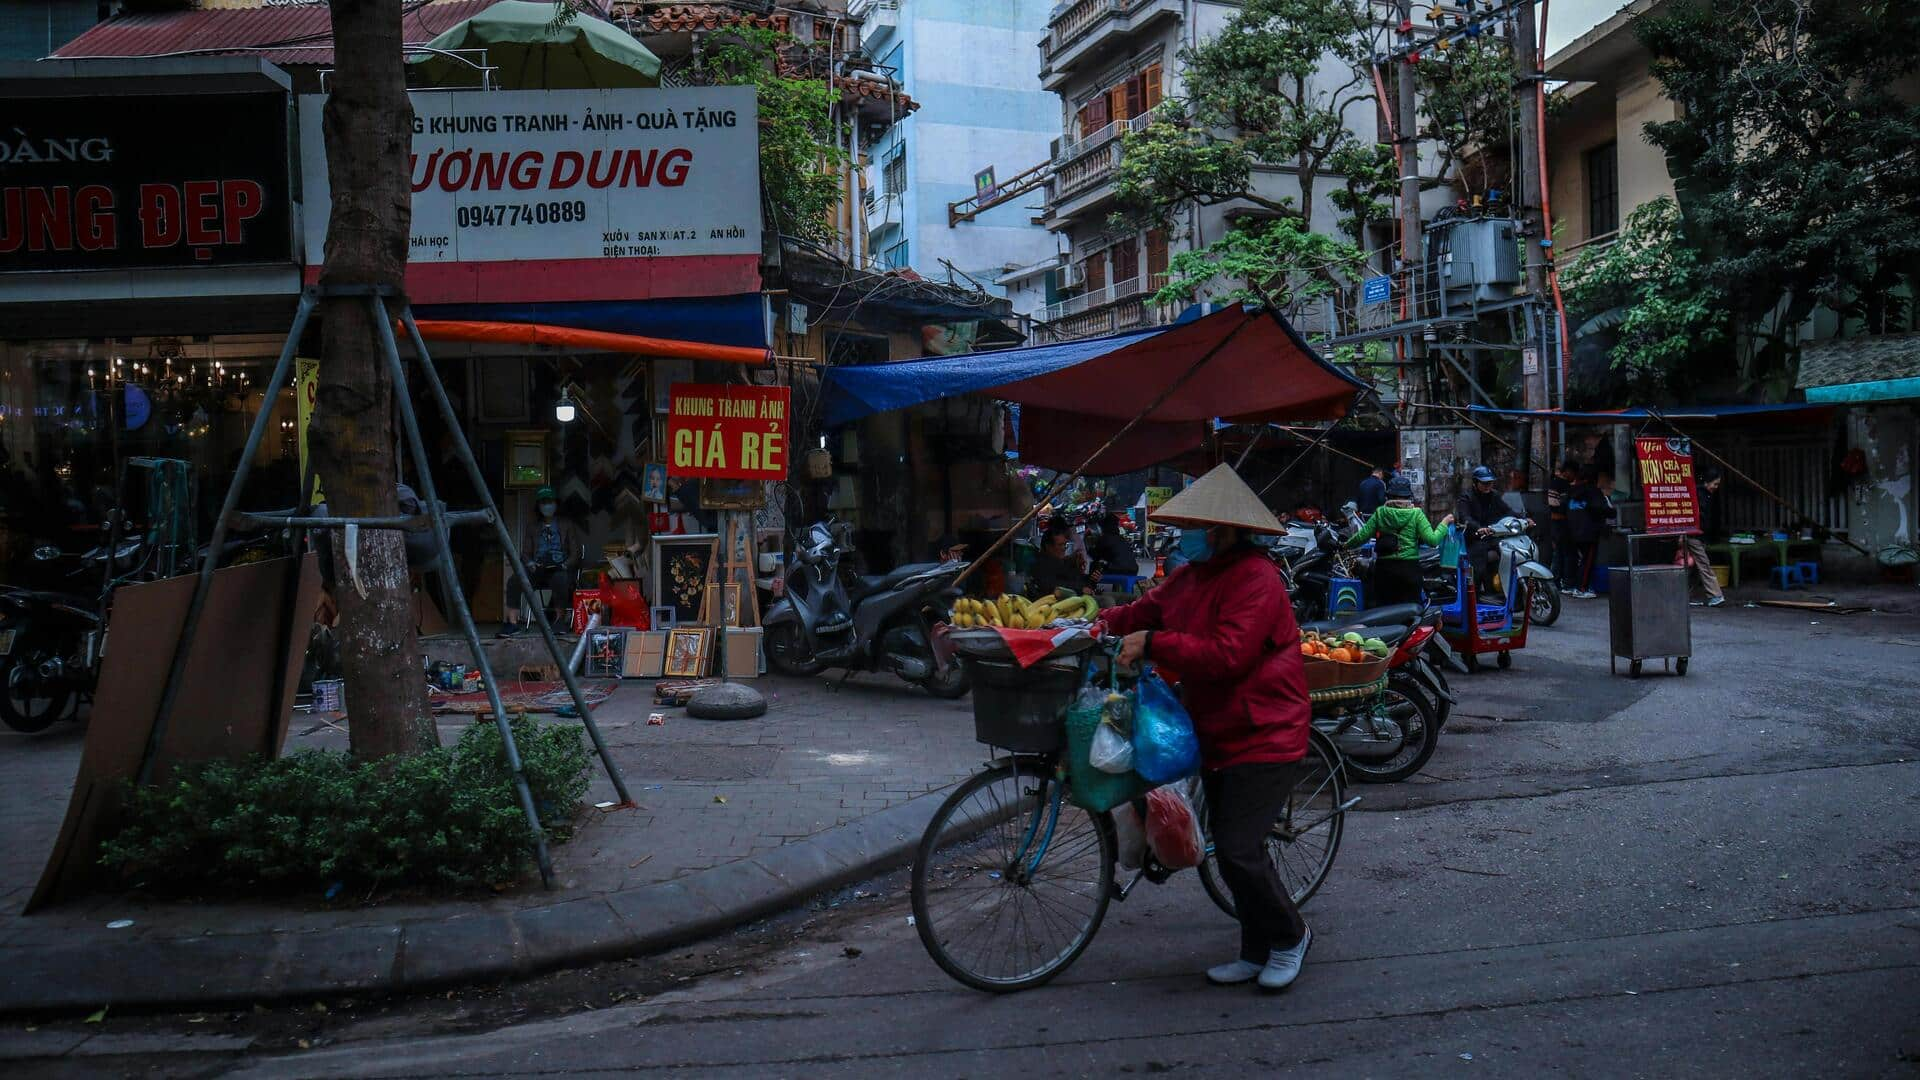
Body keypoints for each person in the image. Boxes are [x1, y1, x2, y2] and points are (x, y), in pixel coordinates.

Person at [1096, 465, 1316, 992]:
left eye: (1193, 525)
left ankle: (1290, 936)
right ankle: (1253, 948)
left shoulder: (1256, 578)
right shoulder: (1189, 576)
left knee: (1239, 849)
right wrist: (1091, 626)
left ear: (1219, 530)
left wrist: (1154, 643)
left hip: (1267, 730)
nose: (1184, 535)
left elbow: (1227, 654)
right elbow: (1140, 611)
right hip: (1216, 728)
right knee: (1228, 848)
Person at [1348, 475, 1453, 607]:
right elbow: (1433, 540)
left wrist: (1344, 545)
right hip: (1409, 570)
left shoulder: (1380, 513)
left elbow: (1361, 537)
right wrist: (1444, 523)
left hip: (1385, 570)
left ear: (1388, 495)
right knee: (1411, 612)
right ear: (1409, 496)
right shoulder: (1416, 514)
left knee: (1385, 613)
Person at [503, 486, 579, 634]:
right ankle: (512, 623)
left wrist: (564, 565)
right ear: (538, 506)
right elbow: (525, 554)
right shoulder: (533, 527)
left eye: (550, 501)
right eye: (543, 502)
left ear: (556, 503)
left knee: (560, 579)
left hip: (559, 567)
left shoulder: (566, 525)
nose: (547, 505)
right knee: (514, 580)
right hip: (538, 568)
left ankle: (559, 621)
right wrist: (531, 564)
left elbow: (575, 553)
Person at [1454, 465, 1508, 593]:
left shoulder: (1494, 496)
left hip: (1491, 536)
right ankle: (1474, 594)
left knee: (1507, 551)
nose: (1488, 486)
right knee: (1478, 562)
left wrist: (1523, 519)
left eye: (1490, 483)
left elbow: (1507, 510)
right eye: (1484, 483)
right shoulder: (1466, 497)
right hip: (1473, 538)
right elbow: (1465, 517)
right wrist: (1479, 528)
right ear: (1475, 483)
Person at [1567, 467, 1616, 598]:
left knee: (1580, 560)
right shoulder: (1593, 492)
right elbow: (1600, 508)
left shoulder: (1573, 492)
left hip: (1573, 531)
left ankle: (1573, 585)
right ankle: (1581, 588)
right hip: (1589, 532)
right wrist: (1612, 511)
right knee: (1588, 561)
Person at [1684, 468, 1727, 607]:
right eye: (1715, 484)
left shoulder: (1707, 495)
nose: (1716, 487)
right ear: (1707, 482)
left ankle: (1685, 595)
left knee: (1695, 567)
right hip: (1694, 535)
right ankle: (1716, 595)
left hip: (1700, 536)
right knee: (1704, 564)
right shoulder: (1697, 494)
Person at [1027, 521, 1088, 598]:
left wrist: (1090, 578)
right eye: (1060, 545)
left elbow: (1076, 579)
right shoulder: (1041, 565)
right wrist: (1080, 589)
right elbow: (1054, 585)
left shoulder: (1062, 562)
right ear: (1048, 546)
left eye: (1065, 545)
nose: (1063, 548)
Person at [1546, 459, 1579, 590]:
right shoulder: (1559, 484)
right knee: (1565, 554)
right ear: (1568, 471)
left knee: (1560, 554)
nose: (1574, 477)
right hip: (1560, 524)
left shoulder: (1563, 484)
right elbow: (1555, 507)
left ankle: (1556, 583)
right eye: (1574, 473)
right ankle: (1565, 583)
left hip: (1560, 524)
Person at [1088, 512, 1142, 582]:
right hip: (1133, 570)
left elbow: (1095, 556)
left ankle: (1091, 588)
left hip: (1118, 570)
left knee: (1094, 566)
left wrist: (1089, 547)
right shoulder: (1121, 539)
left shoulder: (1104, 538)